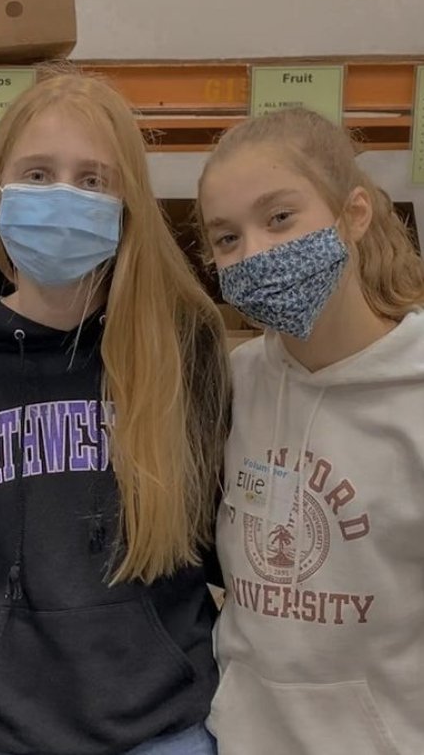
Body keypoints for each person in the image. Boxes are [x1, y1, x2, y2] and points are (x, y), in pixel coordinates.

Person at [0, 71, 231, 755]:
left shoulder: (183, 344)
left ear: (127, 204)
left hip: (160, 726)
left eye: (93, 180)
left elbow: (218, 540)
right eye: (38, 172)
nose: (63, 195)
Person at [196, 107, 424, 755]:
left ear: (354, 215)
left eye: (279, 218)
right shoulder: (238, 384)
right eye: (226, 238)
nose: (256, 252)